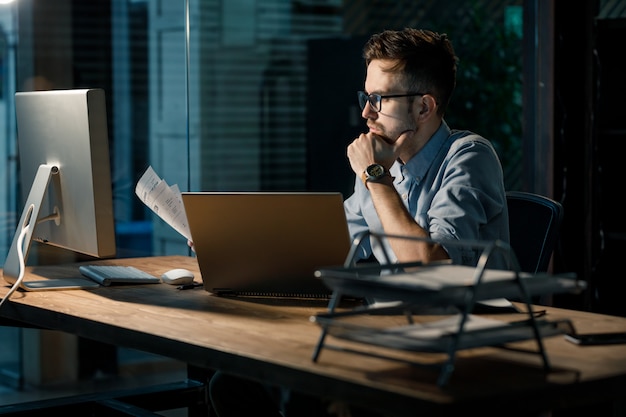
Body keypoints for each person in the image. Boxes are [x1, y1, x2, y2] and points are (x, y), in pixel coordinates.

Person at [207, 27, 509, 417]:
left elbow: (435, 269)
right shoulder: (382, 165)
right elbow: (329, 242)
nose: (366, 112)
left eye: (379, 99)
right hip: (384, 333)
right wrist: (235, 244)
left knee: (306, 395)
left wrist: (375, 178)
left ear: (424, 107)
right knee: (232, 381)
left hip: (453, 350)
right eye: (367, 97)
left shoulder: (469, 156)